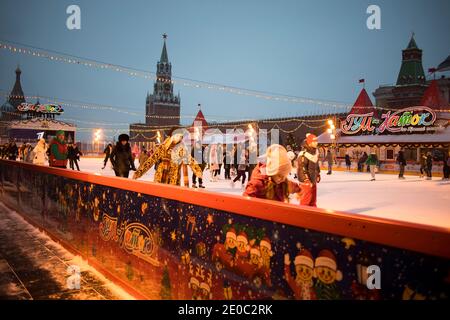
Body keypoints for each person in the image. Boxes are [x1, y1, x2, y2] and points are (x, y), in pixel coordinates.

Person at [133, 128, 203, 187]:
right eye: (177, 135)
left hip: (174, 179)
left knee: (172, 201)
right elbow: (151, 160)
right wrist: (139, 173)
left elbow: (190, 159)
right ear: (172, 135)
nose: (179, 138)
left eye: (181, 136)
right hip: (161, 177)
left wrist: (197, 171)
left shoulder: (182, 148)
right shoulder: (163, 147)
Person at [297, 133, 321, 207]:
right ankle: (303, 215)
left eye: (316, 141)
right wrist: (306, 180)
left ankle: (314, 213)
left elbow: (316, 166)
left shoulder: (315, 153)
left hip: (313, 180)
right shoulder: (303, 154)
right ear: (310, 143)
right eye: (314, 141)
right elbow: (301, 168)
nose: (316, 143)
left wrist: (318, 174)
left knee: (313, 200)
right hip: (306, 182)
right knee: (305, 201)